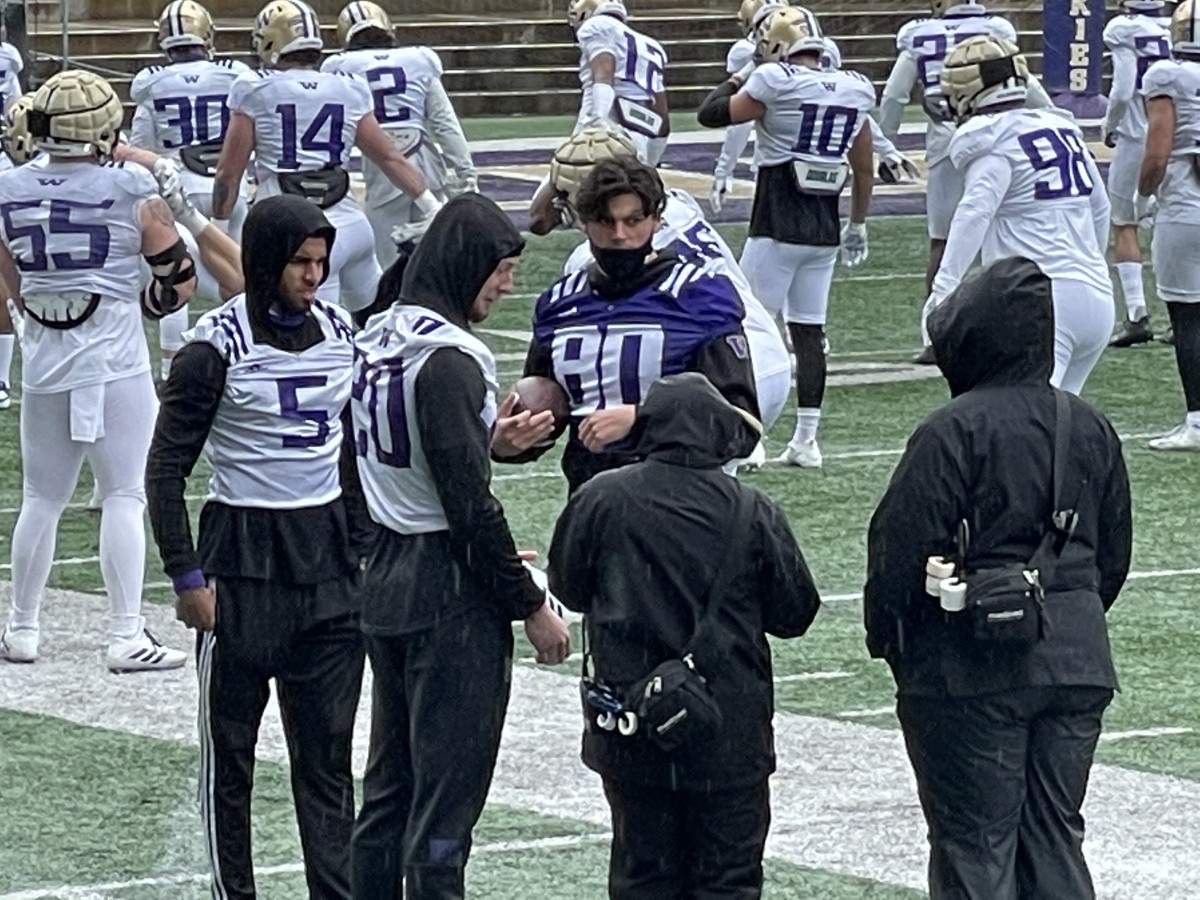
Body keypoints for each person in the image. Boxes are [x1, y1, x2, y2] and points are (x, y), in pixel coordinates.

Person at [864, 257, 1132, 900]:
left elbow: (898, 552)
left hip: (968, 666)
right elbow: (1112, 557)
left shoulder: (950, 430)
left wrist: (893, 643)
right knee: (1054, 839)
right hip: (1075, 658)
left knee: (975, 848)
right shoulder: (1086, 422)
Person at [348, 194, 571, 899]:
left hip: (384, 572)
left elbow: (407, 460)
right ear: (467, 263)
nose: (506, 286)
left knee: (388, 794)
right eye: (500, 270)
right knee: (444, 808)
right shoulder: (451, 356)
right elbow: (467, 508)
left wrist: (488, 446)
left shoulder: (377, 334)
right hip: (445, 594)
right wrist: (528, 601)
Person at [146, 194, 366, 899]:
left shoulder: (340, 329)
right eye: (300, 262)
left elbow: (358, 447)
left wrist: (364, 545)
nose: (313, 275)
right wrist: (186, 574)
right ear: (267, 260)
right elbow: (165, 466)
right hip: (242, 565)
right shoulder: (214, 348)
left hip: (329, 569)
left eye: (321, 261)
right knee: (231, 761)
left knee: (328, 760)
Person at [548, 372, 820, 900]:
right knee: (729, 880)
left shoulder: (601, 498)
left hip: (633, 724)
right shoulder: (752, 509)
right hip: (729, 730)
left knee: (642, 876)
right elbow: (795, 613)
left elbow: (570, 588)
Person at [0, 70, 193, 671]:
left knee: (41, 497)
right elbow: (178, 282)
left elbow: (10, 282)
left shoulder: (6, 186)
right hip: (115, 360)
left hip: (45, 360)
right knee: (124, 495)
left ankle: (22, 629)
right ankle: (125, 634)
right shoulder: (131, 185)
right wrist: (131, 304)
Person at [505, 156, 759, 493]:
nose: (620, 234)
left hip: (679, 506)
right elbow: (544, 415)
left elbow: (742, 428)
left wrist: (644, 420)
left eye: (633, 220)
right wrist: (511, 442)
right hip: (592, 505)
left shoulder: (701, 297)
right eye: (605, 221)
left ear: (656, 220)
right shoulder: (559, 304)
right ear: (583, 222)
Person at [537, 127, 790, 453]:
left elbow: (538, 219)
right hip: (763, 349)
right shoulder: (678, 205)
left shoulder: (588, 262)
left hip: (717, 365)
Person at [698, 5, 874, 468]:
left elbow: (711, 113)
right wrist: (858, 222)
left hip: (776, 224)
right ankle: (807, 440)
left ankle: (752, 435)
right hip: (825, 231)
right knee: (809, 332)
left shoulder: (774, 82)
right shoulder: (853, 88)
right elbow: (863, 164)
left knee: (748, 328)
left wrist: (742, 76)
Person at [213, 0, 440, 312]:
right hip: (351, 225)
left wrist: (219, 228)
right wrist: (431, 205)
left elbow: (229, 172)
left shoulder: (254, 87)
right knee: (375, 321)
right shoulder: (347, 86)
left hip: (296, 233)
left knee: (311, 336)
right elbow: (390, 158)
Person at [928, 36, 1114, 396]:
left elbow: (974, 213)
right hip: (1095, 295)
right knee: (1060, 421)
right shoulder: (1060, 129)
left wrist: (942, 291)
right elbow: (1100, 206)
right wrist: (1092, 266)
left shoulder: (993, 138)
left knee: (1028, 417)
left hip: (1041, 298)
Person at [129, 0, 250, 379]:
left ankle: (171, 370)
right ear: (206, 34)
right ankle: (238, 353)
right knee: (237, 275)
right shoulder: (236, 75)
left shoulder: (151, 81)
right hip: (227, 189)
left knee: (175, 273)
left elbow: (141, 147)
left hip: (176, 184)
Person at [322, 0, 476, 267]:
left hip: (382, 172)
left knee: (387, 268)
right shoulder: (419, 58)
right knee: (436, 263)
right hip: (425, 164)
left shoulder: (339, 66)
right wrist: (466, 172)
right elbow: (444, 123)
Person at [1140, 0, 1200, 450]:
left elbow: (1158, 151)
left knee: (1188, 316)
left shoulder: (1168, 75)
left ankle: (1197, 421)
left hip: (1186, 203)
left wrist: (1143, 194)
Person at [1104, 0, 1171, 346]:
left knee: (1124, 222)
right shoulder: (1179, 24)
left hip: (1136, 135)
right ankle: (1181, 312)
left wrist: (1109, 124)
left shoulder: (1123, 28)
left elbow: (1123, 86)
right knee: (1173, 219)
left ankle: (1136, 314)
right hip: (1177, 133)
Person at [567, 0, 670, 165]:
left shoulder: (596, 25)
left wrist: (599, 122)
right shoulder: (651, 45)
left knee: (566, 174)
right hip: (640, 126)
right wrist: (652, 161)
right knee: (634, 184)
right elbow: (662, 113)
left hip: (606, 116)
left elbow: (604, 74)